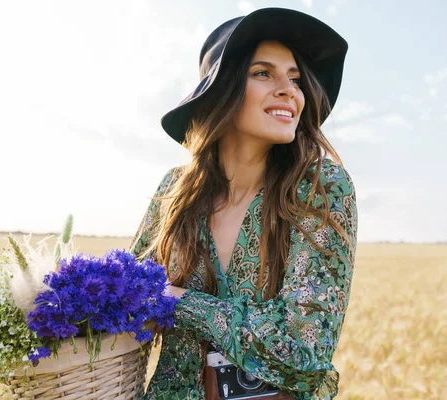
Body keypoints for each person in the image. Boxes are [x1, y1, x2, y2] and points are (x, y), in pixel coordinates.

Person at [129, 7, 358, 400]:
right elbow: (129, 296)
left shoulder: (320, 188)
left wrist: (176, 300)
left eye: (296, 78)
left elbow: (304, 351)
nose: (289, 90)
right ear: (223, 91)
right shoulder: (174, 191)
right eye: (263, 73)